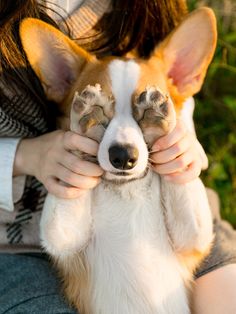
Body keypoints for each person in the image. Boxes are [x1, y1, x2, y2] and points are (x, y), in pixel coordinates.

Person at [0, 0, 236, 313]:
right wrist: (23, 156)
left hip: (167, 209)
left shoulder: (148, 10)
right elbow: (63, 238)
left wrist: (185, 150)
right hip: (17, 247)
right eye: (99, 111)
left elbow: (193, 236)